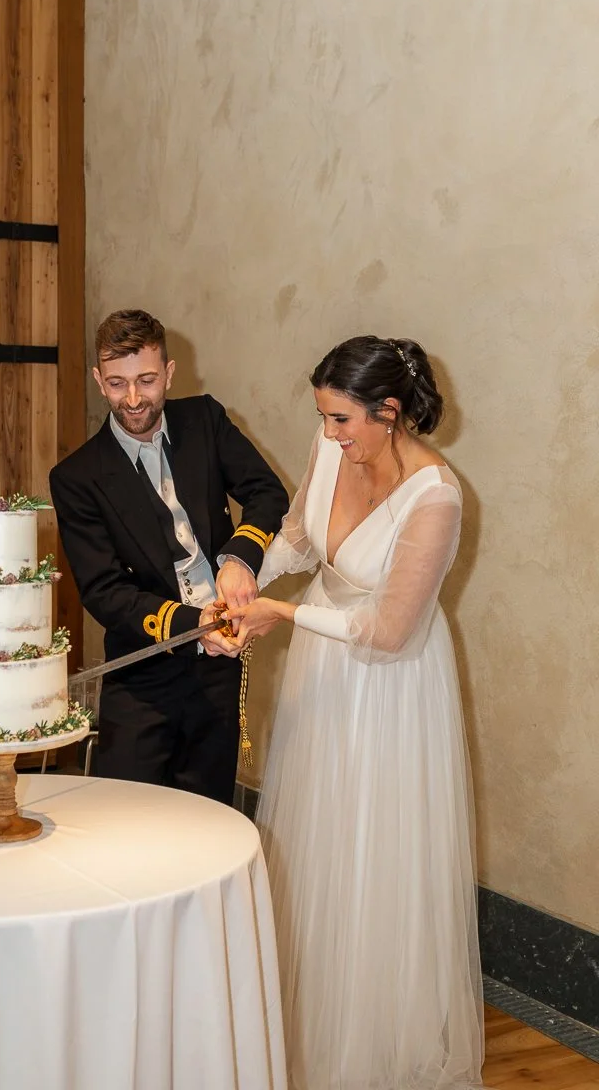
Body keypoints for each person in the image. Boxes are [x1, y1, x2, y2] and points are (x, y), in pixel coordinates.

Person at [223, 336, 483, 1089]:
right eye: (324, 418)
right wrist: (247, 587)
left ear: (388, 413)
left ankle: (378, 1044)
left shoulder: (436, 495)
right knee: (317, 842)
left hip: (392, 685)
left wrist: (283, 615)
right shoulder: (333, 444)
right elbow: (302, 536)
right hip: (323, 661)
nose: (330, 434)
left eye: (341, 420)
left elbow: (390, 630)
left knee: (377, 848)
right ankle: (311, 1025)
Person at [49, 309, 288, 805]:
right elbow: (104, 591)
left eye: (147, 381)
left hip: (221, 665)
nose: (133, 399)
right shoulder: (76, 477)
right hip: (143, 673)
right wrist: (192, 623)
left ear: (169, 373)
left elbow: (267, 493)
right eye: (117, 384)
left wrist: (239, 559)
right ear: (99, 380)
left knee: (209, 813)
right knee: (127, 817)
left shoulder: (205, 420)